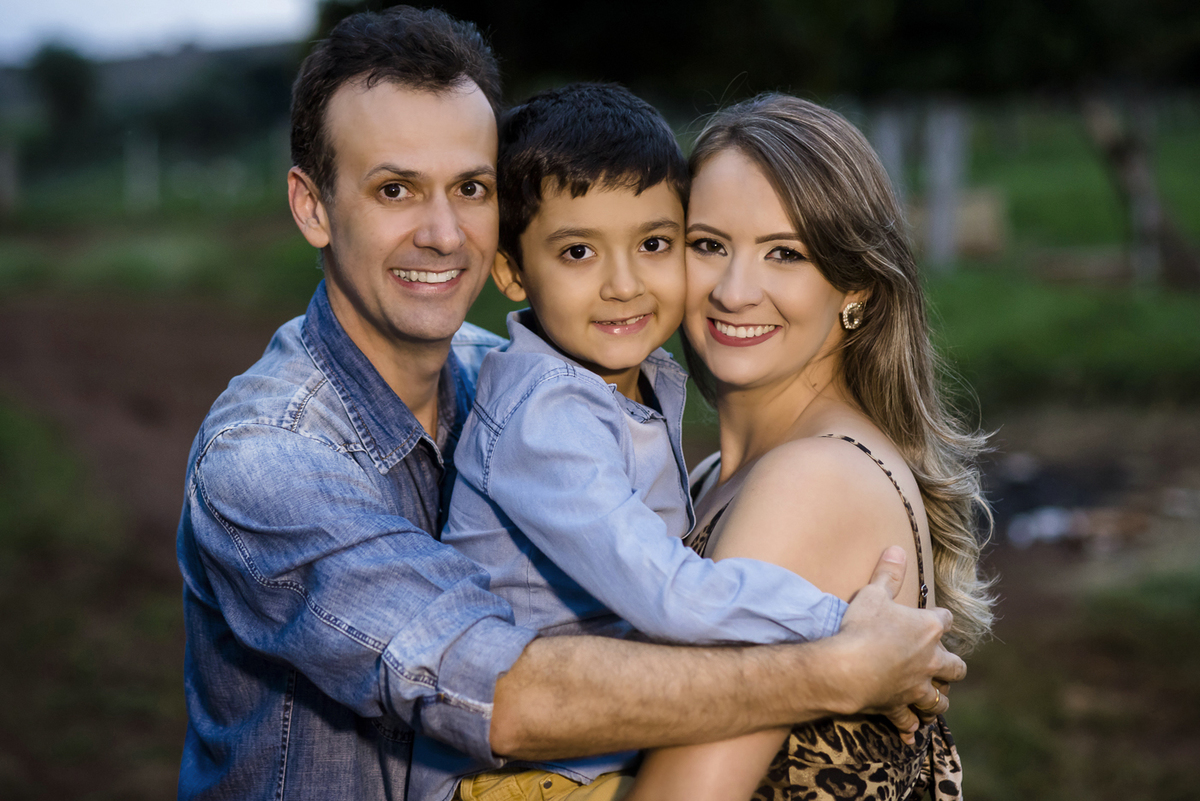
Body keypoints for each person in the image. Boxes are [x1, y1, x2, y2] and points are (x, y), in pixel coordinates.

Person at [175, 8, 965, 800]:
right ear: (313, 205)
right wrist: (838, 661)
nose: (444, 233)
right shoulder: (269, 458)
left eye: (471, 189)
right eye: (395, 190)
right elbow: (500, 693)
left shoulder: (521, 374)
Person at [410, 83, 872, 801]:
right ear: (509, 270)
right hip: (519, 783)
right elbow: (669, 597)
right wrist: (843, 623)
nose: (624, 284)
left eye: (655, 244)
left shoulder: (636, 377)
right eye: (578, 252)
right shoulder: (545, 418)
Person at [624, 95, 995, 801]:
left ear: (855, 284)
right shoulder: (715, 475)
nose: (735, 291)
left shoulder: (810, 481)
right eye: (708, 245)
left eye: (784, 253)